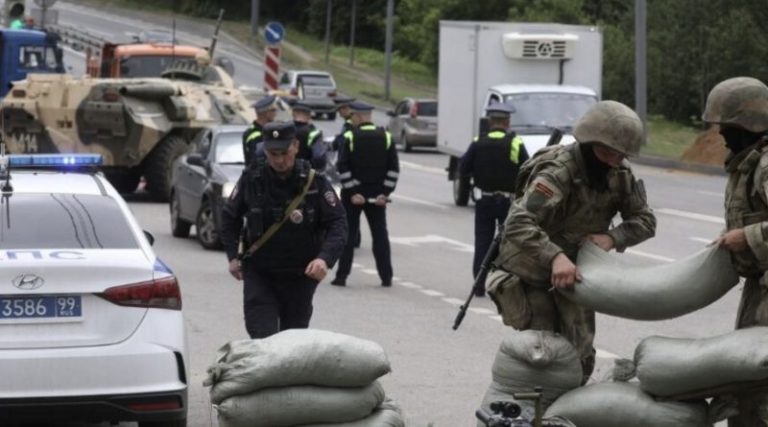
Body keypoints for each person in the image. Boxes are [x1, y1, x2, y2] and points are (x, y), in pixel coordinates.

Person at [492, 100, 657, 384]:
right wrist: (555, 257)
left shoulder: (620, 175)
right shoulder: (558, 172)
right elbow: (517, 223)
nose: (615, 161)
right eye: (609, 153)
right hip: (533, 273)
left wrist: (611, 237)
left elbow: (645, 222)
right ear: (591, 144)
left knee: (581, 355)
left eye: (620, 155)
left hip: (577, 275)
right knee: (543, 355)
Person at [220, 121, 348, 339]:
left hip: (300, 276)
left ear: (296, 147)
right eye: (273, 153)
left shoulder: (314, 182)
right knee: (263, 337)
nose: (279, 160)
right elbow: (229, 217)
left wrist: (324, 259)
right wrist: (233, 256)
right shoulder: (252, 179)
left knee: (292, 342)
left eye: (285, 153)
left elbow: (338, 223)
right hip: (261, 273)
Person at [703, 76, 768, 427]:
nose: (721, 136)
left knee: (758, 394)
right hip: (760, 288)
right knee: (747, 387)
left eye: (727, 127)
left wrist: (749, 236)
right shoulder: (750, 162)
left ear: (748, 126)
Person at [460, 102, 529, 297]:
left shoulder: (478, 142)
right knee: (507, 244)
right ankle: (503, 285)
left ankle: (479, 286)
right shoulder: (515, 143)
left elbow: (463, 168)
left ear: (490, 122)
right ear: (507, 122)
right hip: (507, 202)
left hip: (484, 201)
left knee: (482, 242)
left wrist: (472, 186)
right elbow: (527, 169)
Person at [332, 101, 399, 287]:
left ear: (359, 117)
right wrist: (384, 193)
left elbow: (342, 167)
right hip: (377, 197)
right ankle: (386, 277)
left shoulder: (350, 137)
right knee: (380, 236)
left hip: (353, 197)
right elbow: (393, 169)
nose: (351, 119)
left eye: (352, 116)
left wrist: (353, 192)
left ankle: (341, 277)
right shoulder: (386, 137)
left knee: (348, 236)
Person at [291, 100, 327, 171]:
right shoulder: (314, 133)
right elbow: (319, 158)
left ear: (293, 113)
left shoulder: (285, 128)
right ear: (309, 115)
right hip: (305, 173)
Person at [242, 95, 279, 165]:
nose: (275, 114)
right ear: (266, 113)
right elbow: (258, 160)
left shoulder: (267, 131)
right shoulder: (255, 135)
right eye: (273, 110)